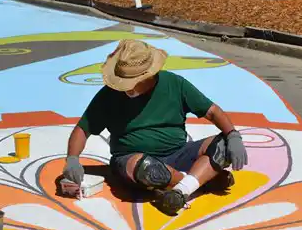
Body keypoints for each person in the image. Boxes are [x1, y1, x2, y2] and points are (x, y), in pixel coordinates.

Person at [63, 40, 249, 215]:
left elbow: (212, 111)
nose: (127, 88)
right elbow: (82, 129)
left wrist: (233, 136)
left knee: (223, 145)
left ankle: (180, 189)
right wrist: (72, 159)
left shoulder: (175, 84)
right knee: (146, 168)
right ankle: (197, 182)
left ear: (149, 76)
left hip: (179, 152)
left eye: (132, 83)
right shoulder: (109, 95)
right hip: (131, 159)